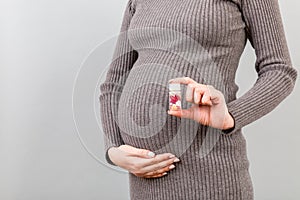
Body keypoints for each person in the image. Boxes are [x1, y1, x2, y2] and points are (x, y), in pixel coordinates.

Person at [99, 0, 297, 199]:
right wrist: (114, 149)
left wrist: (232, 116)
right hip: (145, 183)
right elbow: (113, 83)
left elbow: (279, 71)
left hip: (210, 174)